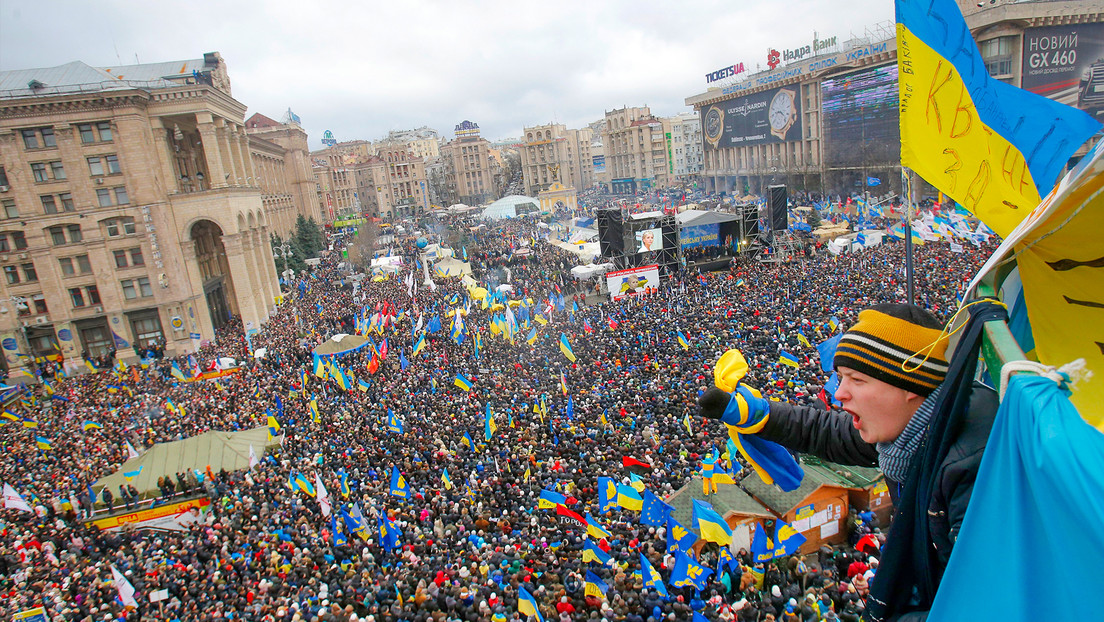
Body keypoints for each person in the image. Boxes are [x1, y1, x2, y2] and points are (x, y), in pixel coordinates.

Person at [700, 303, 999, 621]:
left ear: (908, 385)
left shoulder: (974, 473)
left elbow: (985, 606)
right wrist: (760, 415)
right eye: (840, 378)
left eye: (856, 379)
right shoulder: (912, 428)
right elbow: (825, 431)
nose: (839, 393)